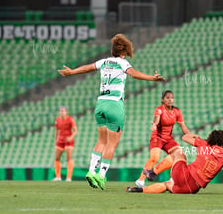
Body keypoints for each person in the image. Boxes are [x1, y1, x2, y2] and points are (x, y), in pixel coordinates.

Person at [58, 33, 165, 190]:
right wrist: (153, 78)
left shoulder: (104, 62)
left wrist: (71, 72)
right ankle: (101, 176)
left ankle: (91, 171)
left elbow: (87, 68)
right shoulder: (123, 63)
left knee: (101, 141)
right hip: (115, 104)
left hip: (100, 103)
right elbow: (134, 74)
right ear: (124, 51)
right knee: (112, 144)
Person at [127, 130, 223, 195]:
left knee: (178, 151)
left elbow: (184, 137)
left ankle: (153, 173)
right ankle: (139, 190)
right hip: (192, 188)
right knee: (167, 185)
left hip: (184, 175)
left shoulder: (203, 144)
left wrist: (195, 136)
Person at [135, 90, 190, 188]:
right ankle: (140, 180)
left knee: (179, 155)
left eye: (172, 98)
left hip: (168, 139)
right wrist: (155, 125)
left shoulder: (177, 111)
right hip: (157, 137)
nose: (170, 100)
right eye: (167, 98)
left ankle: (171, 179)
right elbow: (156, 120)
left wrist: (191, 137)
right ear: (162, 99)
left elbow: (183, 126)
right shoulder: (159, 110)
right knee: (154, 158)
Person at [52, 106, 78, 182]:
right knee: (57, 158)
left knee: (69, 158)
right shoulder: (57, 120)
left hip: (68, 141)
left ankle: (69, 178)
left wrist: (70, 137)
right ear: (59, 112)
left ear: (66, 112)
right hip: (60, 140)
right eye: (60, 111)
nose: (62, 112)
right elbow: (56, 131)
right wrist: (55, 141)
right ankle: (58, 177)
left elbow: (76, 131)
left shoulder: (70, 119)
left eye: (63, 111)